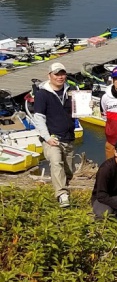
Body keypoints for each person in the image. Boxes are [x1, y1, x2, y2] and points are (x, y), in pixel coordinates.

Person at [32, 62, 77, 206]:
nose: (60, 77)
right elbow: (39, 118)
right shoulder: (42, 94)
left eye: (62, 73)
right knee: (56, 162)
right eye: (56, 74)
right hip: (52, 138)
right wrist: (47, 137)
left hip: (68, 137)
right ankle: (62, 195)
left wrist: (88, 107)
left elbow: (77, 112)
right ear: (49, 75)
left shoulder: (72, 90)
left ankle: (64, 188)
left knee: (68, 171)